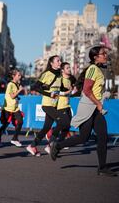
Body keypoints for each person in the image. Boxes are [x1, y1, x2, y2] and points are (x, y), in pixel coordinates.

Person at [50, 46, 117, 177]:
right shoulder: (93, 69)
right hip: (88, 107)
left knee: (102, 137)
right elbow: (86, 90)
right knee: (83, 137)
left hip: (95, 108)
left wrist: (104, 96)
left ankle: (102, 168)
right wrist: (98, 103)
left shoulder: (98, 69)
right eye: (103, 54)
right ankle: (58, 146)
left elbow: (94, 89)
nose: (106, 55)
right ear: (95, 57)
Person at [26, 55, 69, 156]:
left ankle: (32, 146)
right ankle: (50, 145)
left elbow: (61, 89)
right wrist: (49, 94)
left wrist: (73, 90)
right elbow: (35, 87)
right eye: (57, 61)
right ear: (51, 63)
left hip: (54, 105)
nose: (60, 62)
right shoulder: (47, 74)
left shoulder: (59, 75)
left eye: (60, 61)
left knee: (46, 128)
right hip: (47, 104)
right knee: (62, 122)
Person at [45, 62, 77, 143]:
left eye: (70, 67)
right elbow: (56, 92)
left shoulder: (69, 80)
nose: (69, 69)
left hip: (67, 105)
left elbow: (70, 93)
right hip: (60, 105)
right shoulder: (60, 79)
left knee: (68, 126)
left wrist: (73, 92)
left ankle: (60, 143)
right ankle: (52, 137)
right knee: (63, 124)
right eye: (67, 68)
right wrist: (65, 93)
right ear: (62, 70)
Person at [0, 69, 24, 148]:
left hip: (15, 108)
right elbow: (12, 96)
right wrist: (19, 90)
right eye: (18, 75)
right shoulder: (10, 84)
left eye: (20, 75)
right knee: (5, 125)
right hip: (8, 108)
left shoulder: (17, 84)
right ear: (13, 76)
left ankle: (15, 138)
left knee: (20, 121)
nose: (20, 77)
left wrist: (18, 96)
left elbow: (15, 96)